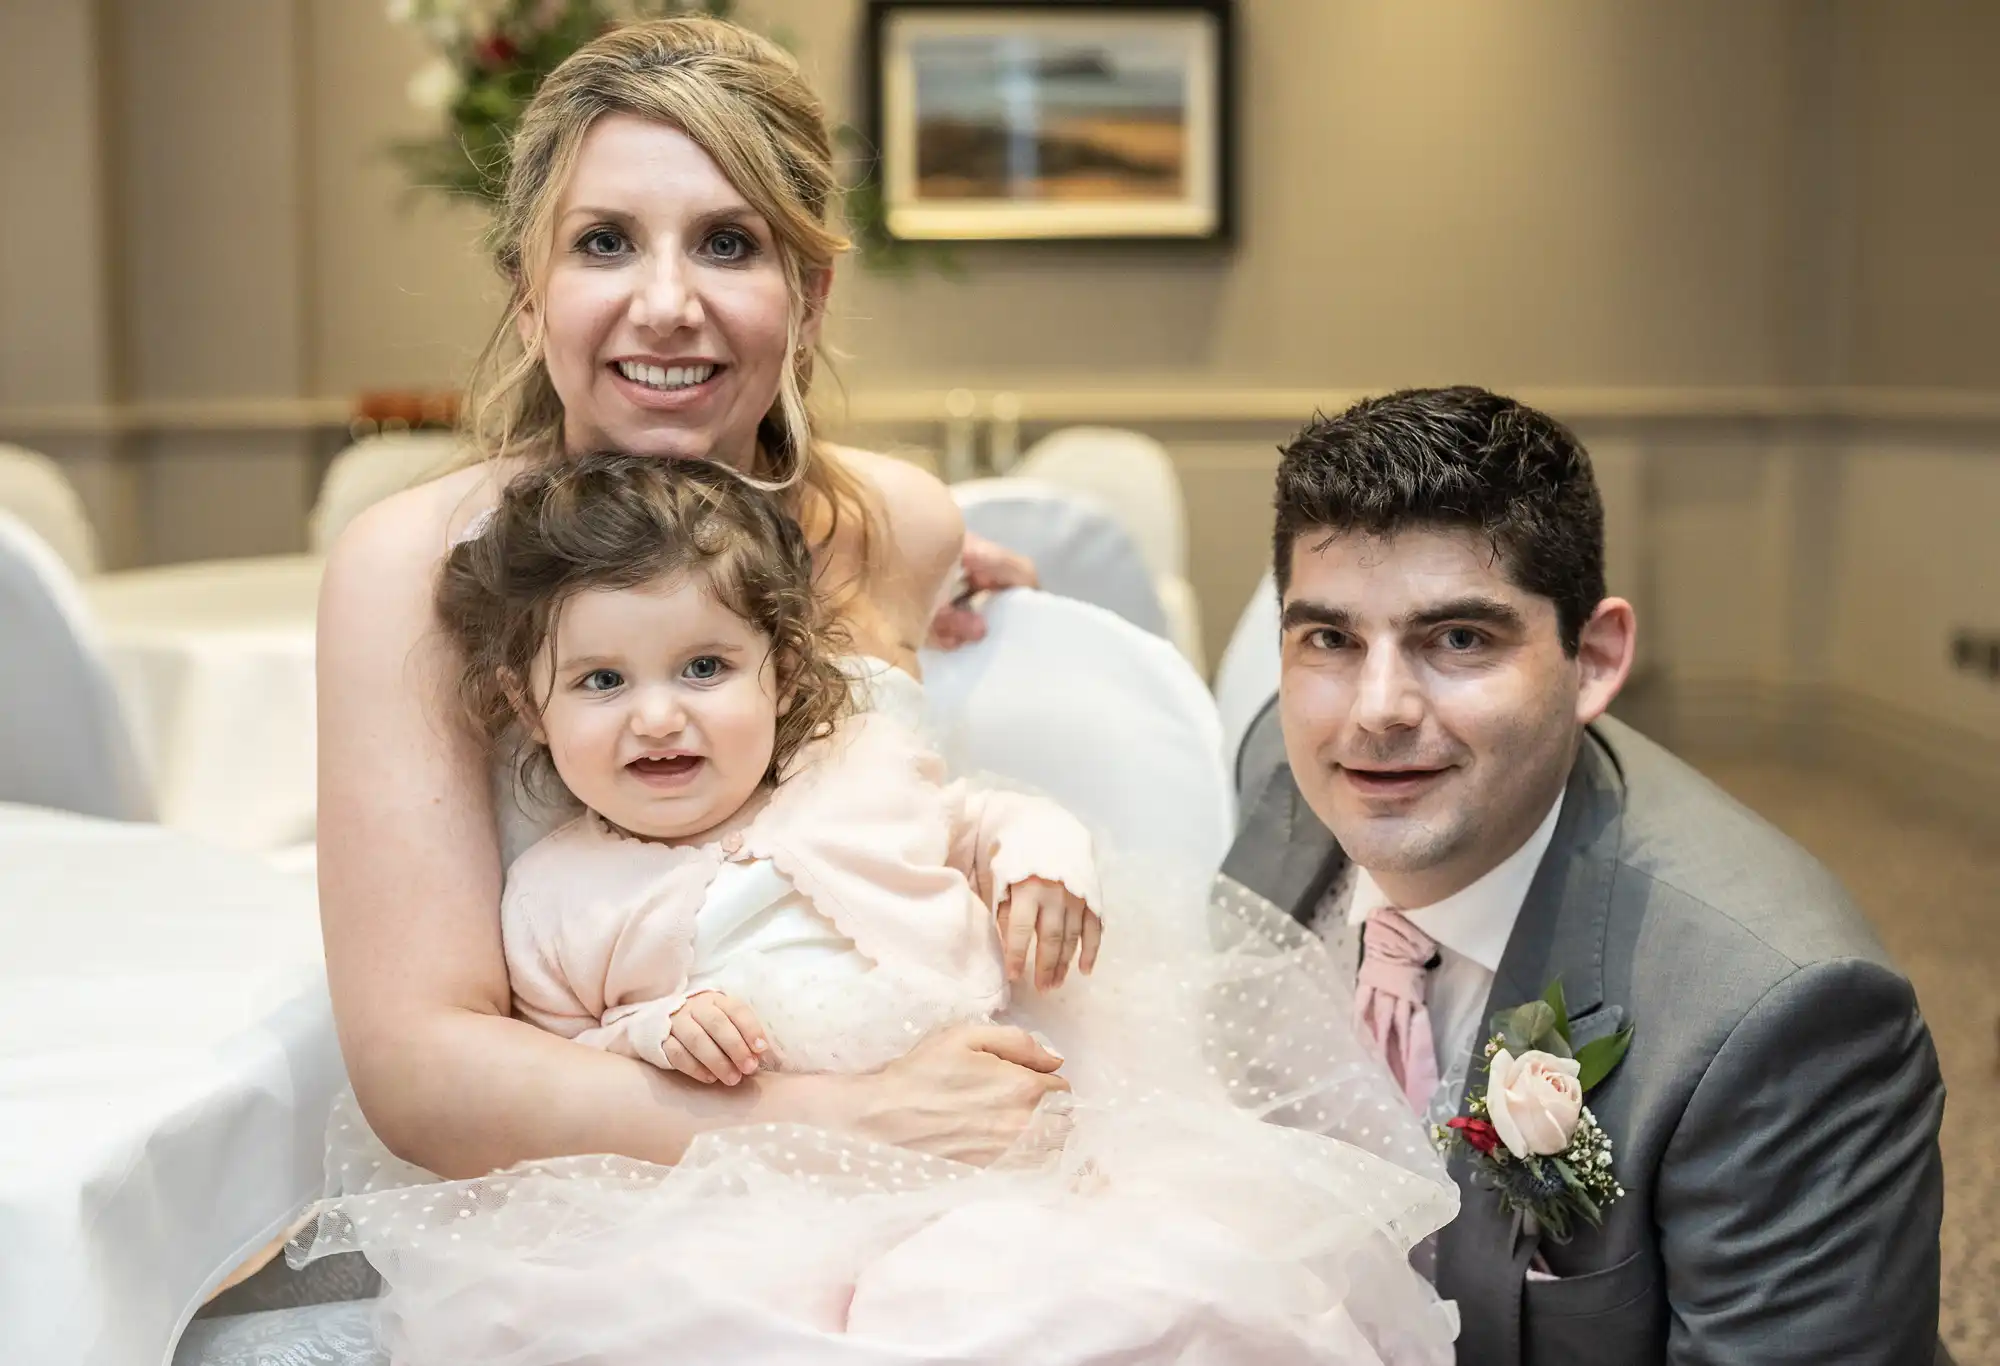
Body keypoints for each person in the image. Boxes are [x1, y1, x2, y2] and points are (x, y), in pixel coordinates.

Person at [290, 450, 1461, 1364]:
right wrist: (653, 1030)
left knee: (1143, 1300)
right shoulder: (555, 892)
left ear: (780, 675)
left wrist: (1041, 861)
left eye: (702, 669)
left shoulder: (851, 764)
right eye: (601, 682)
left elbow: (981, 815)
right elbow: (559, 1049)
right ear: (525, 706)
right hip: (749, 1208)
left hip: (1004, 1161)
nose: (657, 717)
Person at [314, 16, 1051, 1186]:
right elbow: (417, 1065)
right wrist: (843, 1124)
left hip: (974, 1145)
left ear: (806, 296)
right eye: (604, 242)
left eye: (725, 243)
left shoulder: (896, 525)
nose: (665, 304)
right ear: (527, 296)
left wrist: (961, 568)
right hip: (613, 1197)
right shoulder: (408, 566)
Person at [1222, 386, 1947, 1365]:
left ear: (1593, 660)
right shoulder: (1286, 754)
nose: (1374, 711)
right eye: (1330, 638)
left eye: (1458, 639)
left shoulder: (1777, 1017)